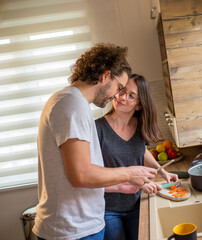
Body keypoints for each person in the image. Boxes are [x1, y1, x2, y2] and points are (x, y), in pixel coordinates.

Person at [32, 44, 157, 240]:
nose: (117, 95)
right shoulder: (72, 105)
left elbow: (74, 174)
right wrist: (130, 173)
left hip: (77, 228)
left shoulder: (70, 102)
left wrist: (118, 186)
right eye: (119, 87)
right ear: (105, 76)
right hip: (72, 231)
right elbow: (81, 174)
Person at [95, 74, 179, 240]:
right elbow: (93, 173)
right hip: (108, 209)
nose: (121, 97)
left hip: (138, 203)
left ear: (139, 105)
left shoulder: (139, 126)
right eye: (121, 91)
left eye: (131, 96)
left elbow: (141, 150)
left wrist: (163, 172)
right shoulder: (97, 129)